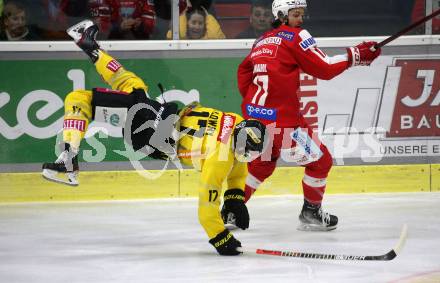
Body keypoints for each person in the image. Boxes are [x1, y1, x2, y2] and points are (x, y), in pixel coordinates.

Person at [41, 20, 267, 256]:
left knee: (80, 98)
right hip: (155, 125)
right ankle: (88, 44)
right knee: (132, 85)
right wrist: (223, 227)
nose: (247, 156)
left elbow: (231, 171)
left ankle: (69, 158)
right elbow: (211, 199)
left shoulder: (235, 124)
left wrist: (232, 202)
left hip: (154, 130)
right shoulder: (222, 157)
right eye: (248, 150)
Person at [236, 0, 381, 231]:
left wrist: (256, 103)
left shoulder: (261, 40)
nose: (300, 19)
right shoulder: (296, 36)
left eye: (302, 14)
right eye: (295, 14)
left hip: (255, 118)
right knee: (321, 161)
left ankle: (231, 210)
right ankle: (311, 212)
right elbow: (324, 68)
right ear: (282, 15)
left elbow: (244, 73)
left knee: (260, 166)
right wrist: (357, 54)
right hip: (283, 123)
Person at [88, 0, 156, 40]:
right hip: (110, 45)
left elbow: (150, 26)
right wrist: (119, 27)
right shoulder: (103, 1)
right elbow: (100, 29)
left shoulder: (145, 1)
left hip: (141, 46)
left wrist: (140, 25)